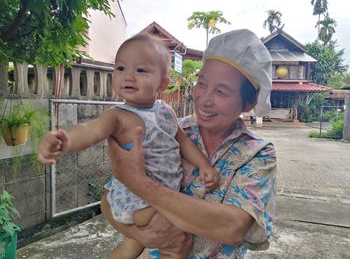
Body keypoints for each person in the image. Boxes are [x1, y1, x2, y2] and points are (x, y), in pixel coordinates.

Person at [38, 33, 219, 259]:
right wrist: (66, 141)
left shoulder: (165, 110)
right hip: (139, 204)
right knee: (176, 245)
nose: (128, 77)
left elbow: (182, 140)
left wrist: (204, 165)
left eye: (141, 70)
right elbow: (90, 130)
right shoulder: (118, 116)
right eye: (121, 68)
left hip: (153, 197)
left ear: (162, 82)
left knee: (131, 247)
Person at [101, 29, 277, 258]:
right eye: (201, 83)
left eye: (221, 91)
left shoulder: (257, 153)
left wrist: (139, 183)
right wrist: (142, 237)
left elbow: (233, 227)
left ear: (249, 102)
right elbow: (109, 200)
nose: (204, 99)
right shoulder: (167, 130)